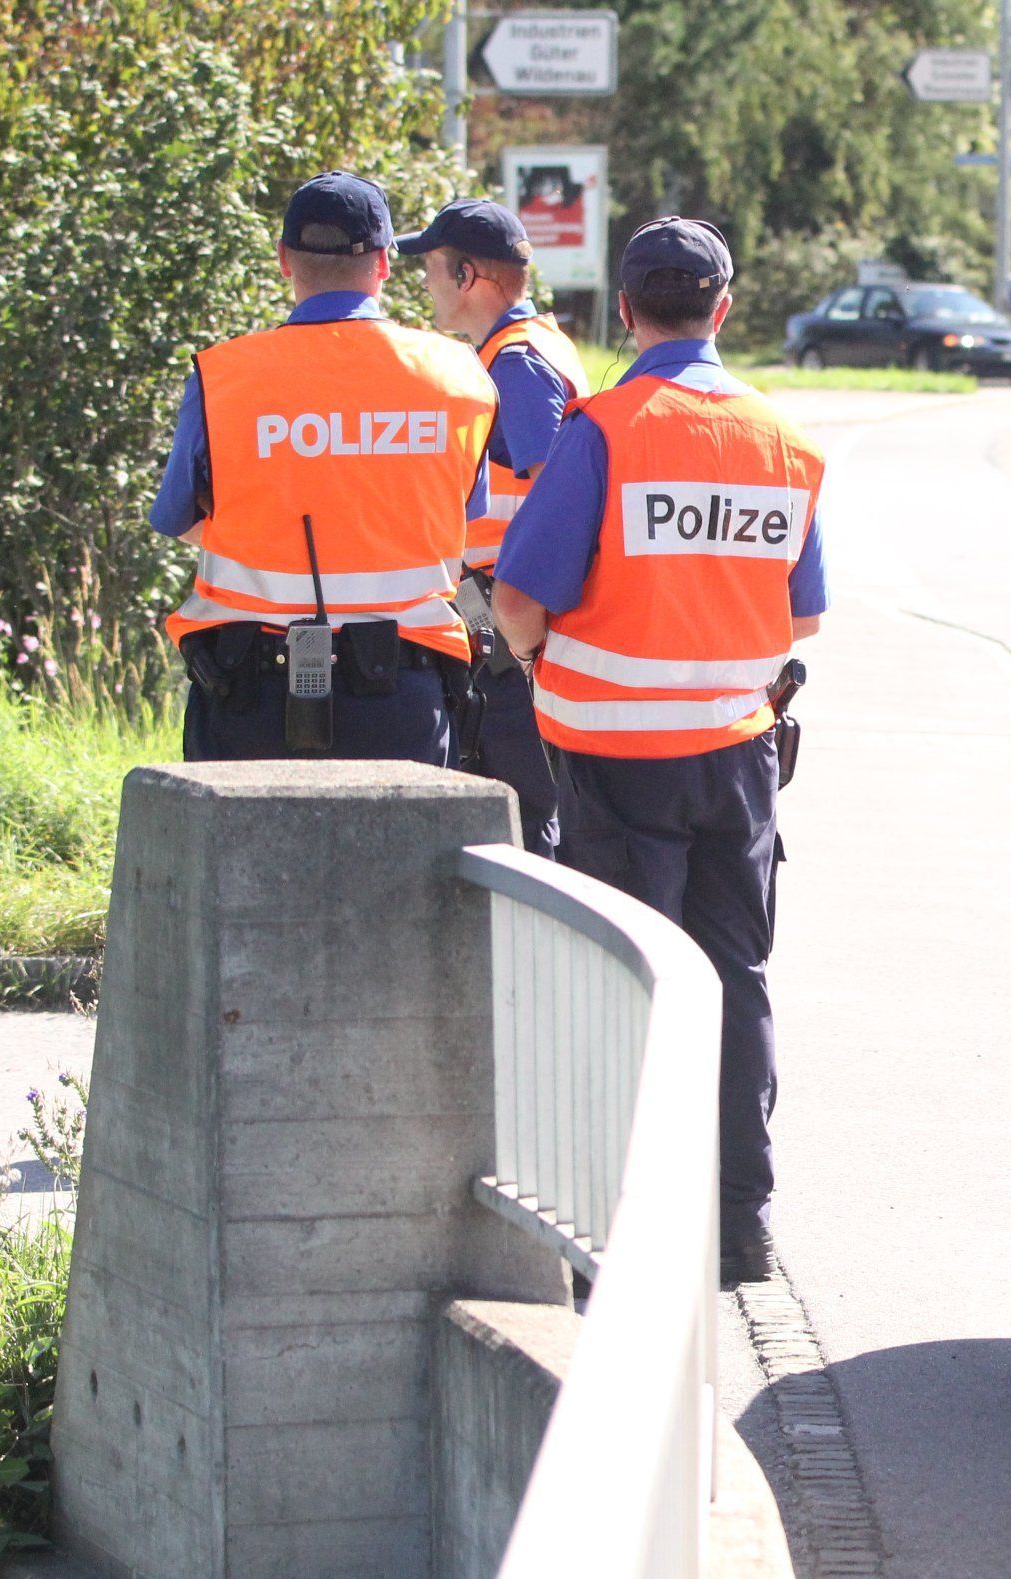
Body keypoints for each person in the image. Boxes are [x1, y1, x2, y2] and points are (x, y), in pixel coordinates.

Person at [491, 218, 827, 1286]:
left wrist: (543, 653)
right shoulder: (787, 442)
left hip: (611, 761)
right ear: (724, 309)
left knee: (625, 991)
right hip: (738, 762)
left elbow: (519, 603)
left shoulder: (606, 428)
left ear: (625, 312)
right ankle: (739, 1224)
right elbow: (803, 620)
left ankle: (621, 1228)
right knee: (736, 980)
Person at [150, 171, 496, 763]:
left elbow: (177, 517)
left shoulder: (223, 377)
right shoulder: (459, 374)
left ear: (285, 259)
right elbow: (463, 516)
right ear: (385, 262)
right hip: (403, 693)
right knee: (401, 859)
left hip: (248, 694)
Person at [397, 197, 591, 855]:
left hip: (512, 631)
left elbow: (558, 500)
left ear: (467, 275)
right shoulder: (526, 347)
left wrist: (524, 627)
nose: (423, 283)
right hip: (510, 624)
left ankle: (533, 953)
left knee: (525, 815)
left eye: (430, 267)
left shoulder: (515, 364)